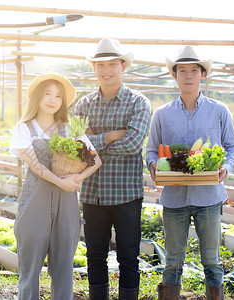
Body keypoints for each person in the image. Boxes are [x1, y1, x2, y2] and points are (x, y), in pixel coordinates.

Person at [145, 45, 234, 300]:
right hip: (174, 198)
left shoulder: (218, 110)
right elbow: (151, 150)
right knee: (172, 263)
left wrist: (226, 167)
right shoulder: (162, 114)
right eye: (182, 70)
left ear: (203, 75)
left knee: (212, 261)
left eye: (194, 70)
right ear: (175, 75)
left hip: (209, 197)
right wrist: (153, 165)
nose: (188, 75)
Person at [9, 72, 102, 300]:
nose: (53, 99)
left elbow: (95, 160)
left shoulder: (69, 129)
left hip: (66, 201)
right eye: (48, 94)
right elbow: (35, 165)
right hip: (35, 201)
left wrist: (76, 180)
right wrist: (61, 181)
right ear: (38, 97)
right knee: (30, 270)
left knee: (63, 268)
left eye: (58, 96)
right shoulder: (24, 128)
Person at [74, 38, 152, 300]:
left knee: (128, 257)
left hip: (126, 194)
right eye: (100, 64)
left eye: (112, 64)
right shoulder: (84, 105)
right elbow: (77, 147)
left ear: (123, 65)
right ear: (94, 68)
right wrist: (110, 137)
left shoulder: (138, 102)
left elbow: (132, 144)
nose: (106, 70)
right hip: (92, 194)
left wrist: (94, 142)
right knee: (95, 256)